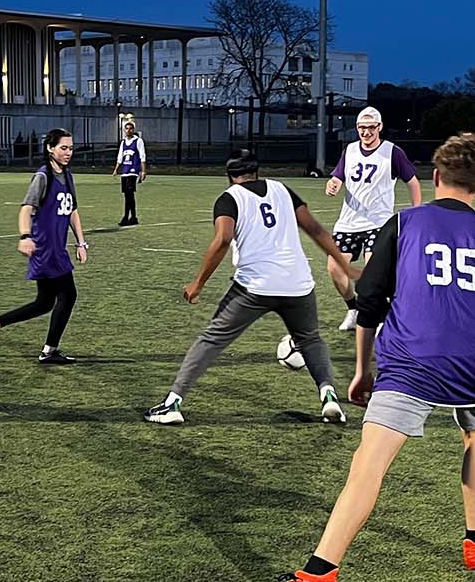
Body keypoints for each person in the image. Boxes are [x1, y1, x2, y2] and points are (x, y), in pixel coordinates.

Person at [252, 133, 475, 582]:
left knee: (371, 461)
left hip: (411, 360)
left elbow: (370, 304)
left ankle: (319, 575)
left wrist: (363, 371)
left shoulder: (403, 224)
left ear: (435, 177)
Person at [146, 148, 354, 426]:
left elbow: (222, 240)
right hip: (298, 284)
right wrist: (345, 265)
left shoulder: (229, 198)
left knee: (212, 339)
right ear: (257, 171)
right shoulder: (283, 190)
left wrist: (198, 283)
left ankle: (173, 402)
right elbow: (315, 229)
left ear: (229, 175)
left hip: (254, 287)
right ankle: (329, 397)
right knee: (310, 339)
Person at [0, 128, 88, 363]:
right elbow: (26, 209)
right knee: (68, 296)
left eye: (71, 148)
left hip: (57, 249)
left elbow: (72, 211)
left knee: (45, 302)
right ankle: (49, 351)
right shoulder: (43, 176)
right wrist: (24, 236)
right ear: (50, 148)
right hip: (45, 249)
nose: (69, 152)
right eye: (63, 148)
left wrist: (81, 242)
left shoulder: (67, 175)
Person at [324, 106, 421, 330]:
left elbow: (413, 182)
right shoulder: (349, 150)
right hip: (348, 222)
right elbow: (338, 177)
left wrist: (416, 212)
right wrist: (333, 185)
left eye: (370, 128)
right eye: (361, 128)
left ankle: (379, 317)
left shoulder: (392, 152)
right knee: (334, 268)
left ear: (379, 127)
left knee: (372, 274)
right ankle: (353, 309)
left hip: (378, 222)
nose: (366, 132)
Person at [113, 119, 147, 225]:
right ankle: (133, 217)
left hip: (133, 171)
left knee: (129, 194)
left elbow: (142, 156)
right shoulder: (123, 142)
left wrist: (143, 171)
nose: (128, 130)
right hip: (125, 171)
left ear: (133, 130)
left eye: (130, 128)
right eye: (126, 128)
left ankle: (126, 217)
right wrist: (116, 169)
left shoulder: (138, 141)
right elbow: (120, 156)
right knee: (127, 195)